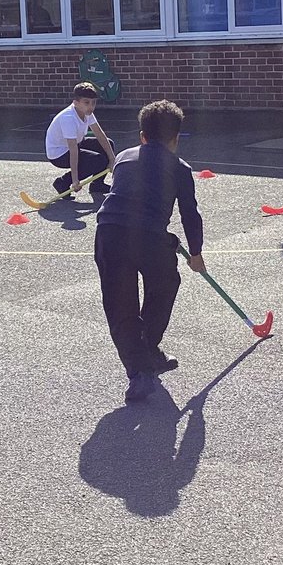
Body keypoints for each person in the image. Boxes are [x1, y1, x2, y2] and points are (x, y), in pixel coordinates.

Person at [94, 99, 206, 404]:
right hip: (147, 235)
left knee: (120, 305)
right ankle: (146, 355)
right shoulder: (180, 168)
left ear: (142, 136)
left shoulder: (124, 158)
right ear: (175, 139)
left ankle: (140, 365)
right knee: (165, 286)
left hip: (109, 231)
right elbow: (190, 214)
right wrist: (196, 253)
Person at [46, 82, 117, 199]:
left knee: (108, 143)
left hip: (76, 144)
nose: (91, 106)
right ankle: (63, 182)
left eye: (93, 103)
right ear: (76, 102)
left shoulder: (87, 112)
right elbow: (73, 150)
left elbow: (100, 134)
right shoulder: (68, 118)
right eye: (86, 103)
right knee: (97, 160)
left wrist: (112, 159)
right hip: (59, 154)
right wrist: (75, 179)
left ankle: (97, 185)